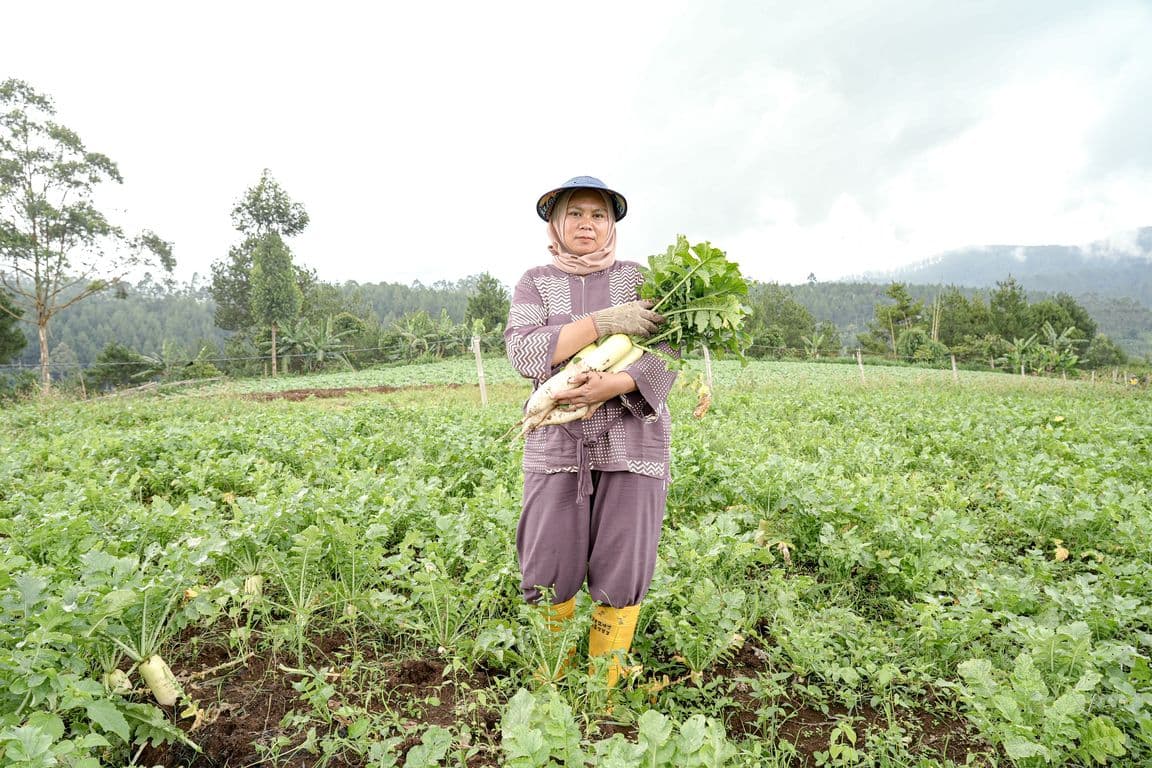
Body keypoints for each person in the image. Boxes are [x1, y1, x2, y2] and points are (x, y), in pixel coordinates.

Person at [504, 176, 678, 689]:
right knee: (548, 555)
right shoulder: (535, 281)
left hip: (634, 440)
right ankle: (551, 680)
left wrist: (616, 384)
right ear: (556, 223)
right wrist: (602, 322)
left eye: (598, 215)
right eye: (575, 214)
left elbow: (669, 356)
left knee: (624, 558)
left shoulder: (640, 279)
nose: (587, 224)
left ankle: (604, 684)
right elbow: (526, 353)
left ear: (612, 224)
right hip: (557, 442)